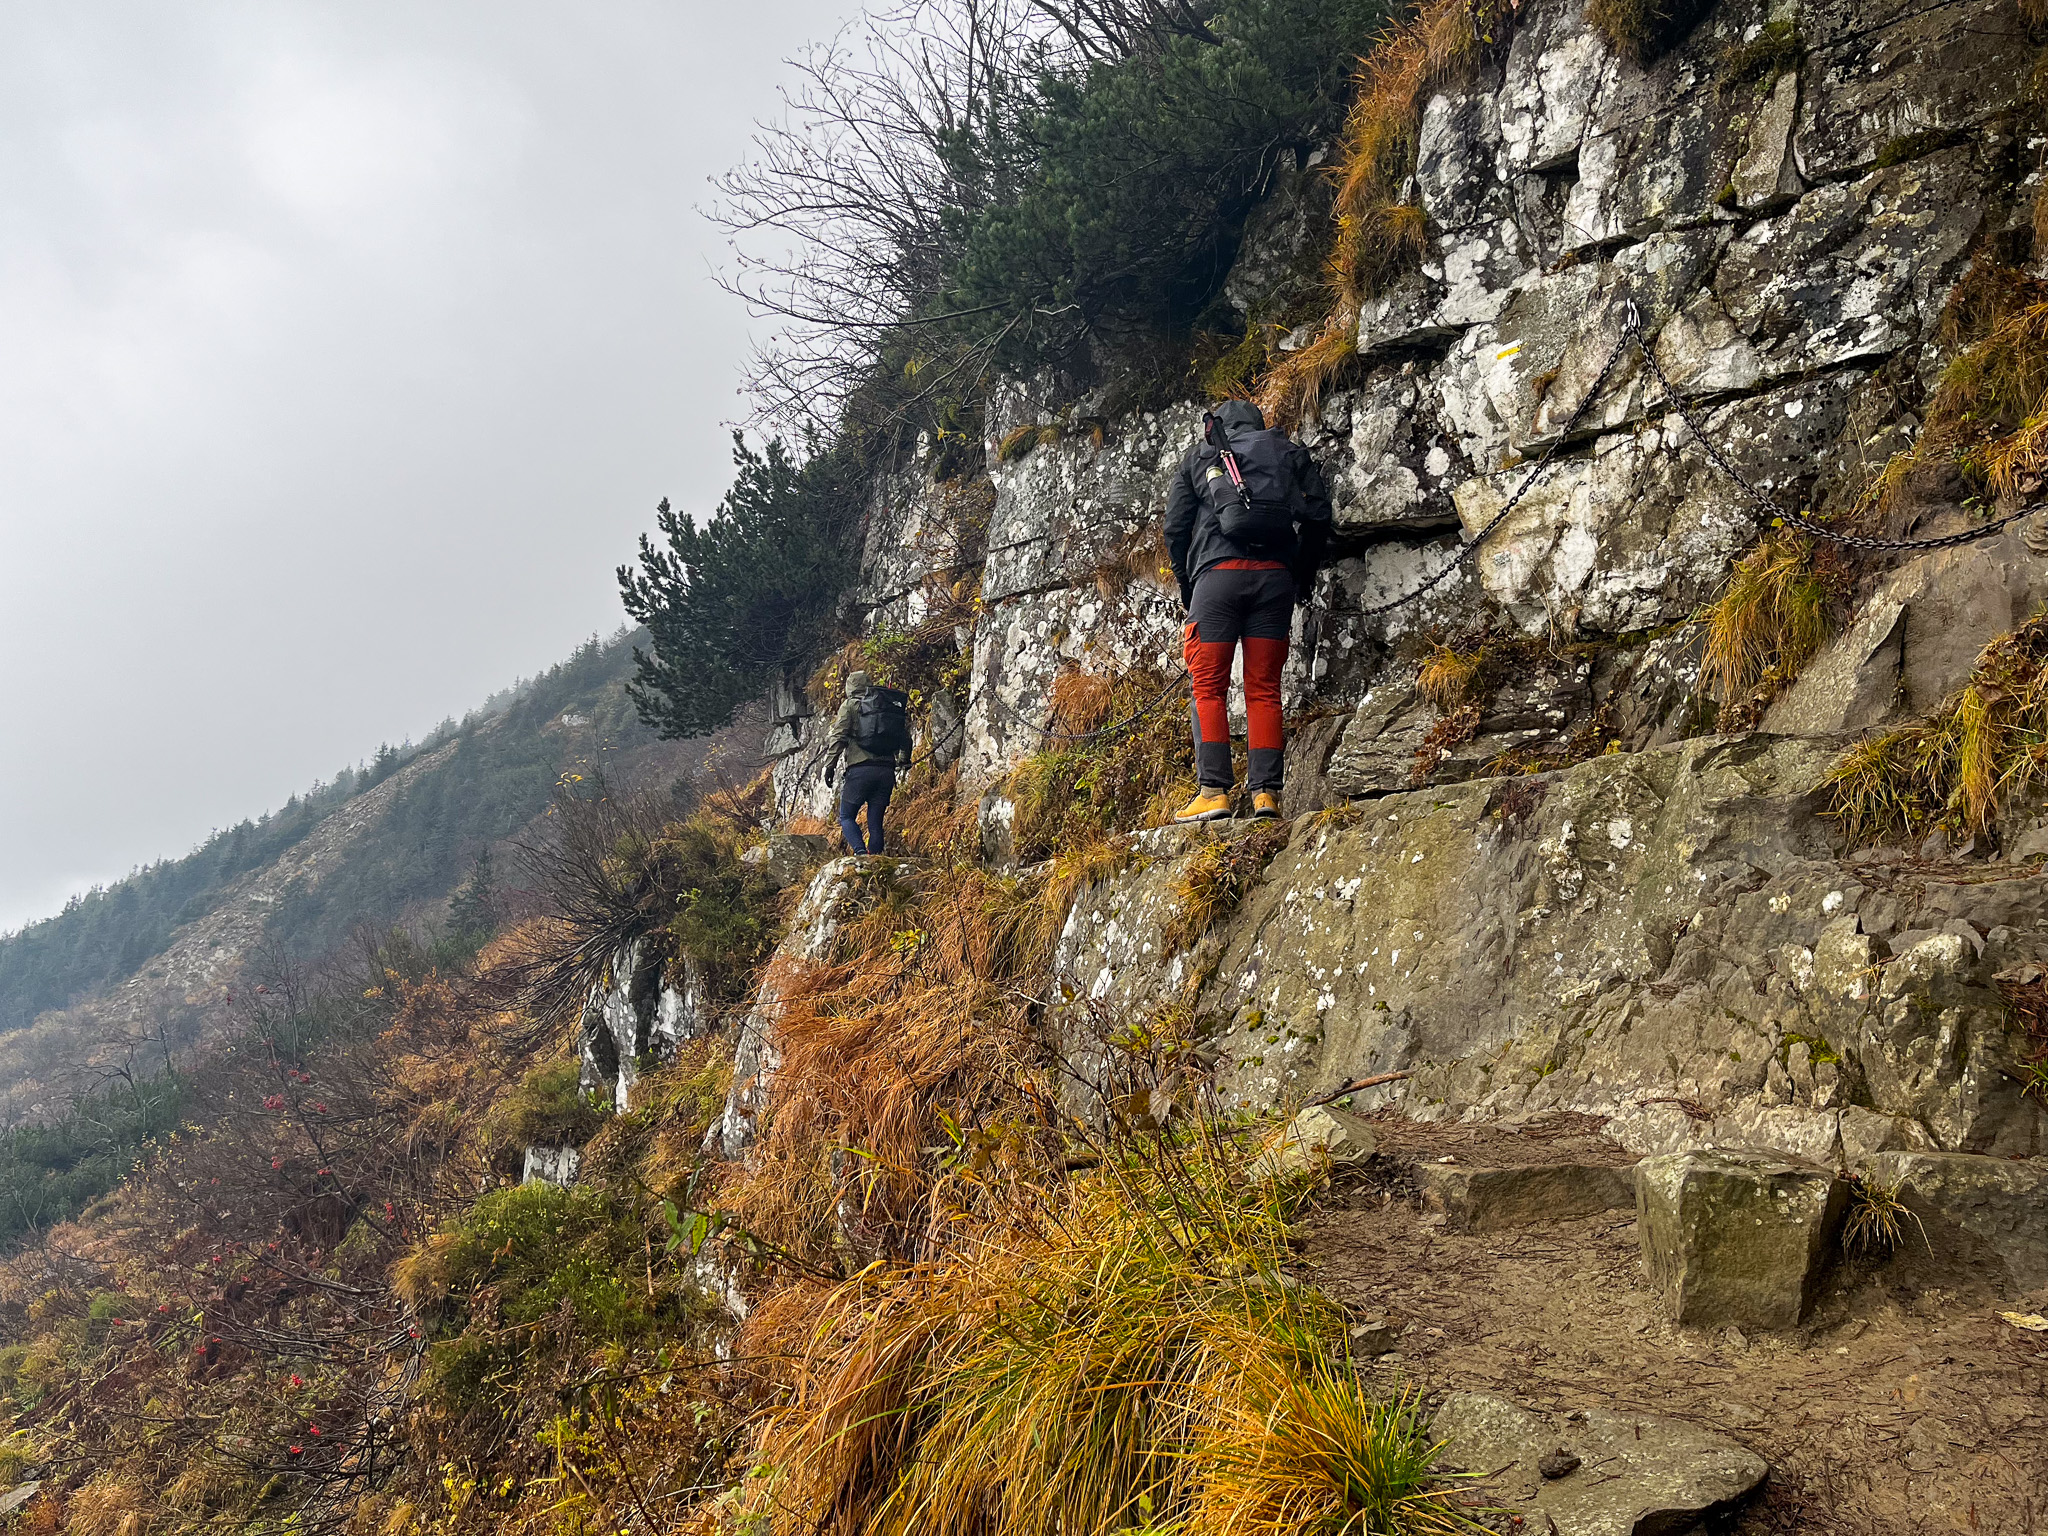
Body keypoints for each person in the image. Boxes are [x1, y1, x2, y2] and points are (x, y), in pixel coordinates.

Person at [1163, 398, 1332, 822]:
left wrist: (1191, 587)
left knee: (1208, 687)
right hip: (1274, 580)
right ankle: (1266, 797)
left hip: (1216, 581)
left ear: (1218, 425)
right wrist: (1300, 576)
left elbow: (1175, 529)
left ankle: (1214, 791)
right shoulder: (1287, 452)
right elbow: (1317, 516)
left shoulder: (1201, 456)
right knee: (1263, 689)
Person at [823, 669, 911, 854]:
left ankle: (860, 854)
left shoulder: (850, 706)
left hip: (860, 770)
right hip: (886, 771)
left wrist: (830, 766)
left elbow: (838, 737)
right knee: (875, 823)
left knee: (846, 816)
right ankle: (876, 860)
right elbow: (904, 736)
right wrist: (903, 760)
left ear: (850, 687)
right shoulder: (883, 704)